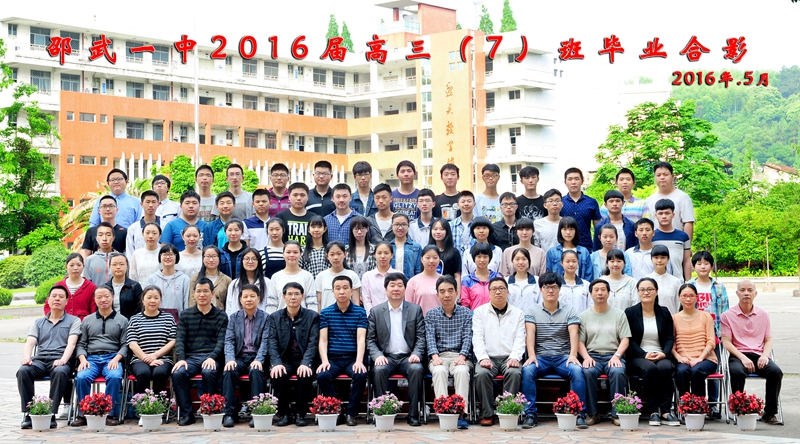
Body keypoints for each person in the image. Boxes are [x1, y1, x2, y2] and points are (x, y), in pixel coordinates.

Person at [521, 272, 588, 429]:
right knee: (527, 371)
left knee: (577, 371)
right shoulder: (532, 310)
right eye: (546, 287)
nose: (550, 290)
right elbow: (530, 333)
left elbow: (574, 334)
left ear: (560, 289)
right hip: (541, 357)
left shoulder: (570, 310)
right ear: (540, 289)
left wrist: (573, 355)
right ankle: (530, 414)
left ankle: (579, 414)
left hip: (563, 357)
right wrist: (531, 355)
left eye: (554, 287)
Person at [367, 272, 426, 426]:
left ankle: (413, 414)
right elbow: (370, 340)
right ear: (385, 289)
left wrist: (416, 353)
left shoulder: (415, 310)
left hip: (408, 357)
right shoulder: (376, 312)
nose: (396, 289)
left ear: (405, 289)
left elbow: (421, 337)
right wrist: (377, 355)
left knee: (417, 369)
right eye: (392, 285)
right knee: (379, 370)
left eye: (400, 285)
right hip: (387, 357)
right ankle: (381, 413)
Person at [17, 285, 81, 429]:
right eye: (54, 296)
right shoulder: (38, 323)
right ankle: (28, 413)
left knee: (60, 372)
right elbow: (30, 343)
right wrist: (27, 358)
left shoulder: (74, 321)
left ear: (66, 301)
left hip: (61, 360)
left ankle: (51, 414)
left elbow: (71, 343)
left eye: (61, 297)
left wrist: (63, 360)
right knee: (23, 371)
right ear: (48, 300)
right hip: (40, 360)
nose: (57, 299)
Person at [721, 280, 783, 425]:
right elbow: (726, 342)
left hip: (759, 355)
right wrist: (743, 358)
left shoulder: (763, 314)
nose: (746, 293)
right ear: (737, 293)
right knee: (736, 372)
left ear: (756, 293)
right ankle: (739, 410)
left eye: (750, 290)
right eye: (742, 290)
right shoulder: (727, 315)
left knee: (776, 372)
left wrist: (765, 356)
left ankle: (770, 413)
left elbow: (768, 340)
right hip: (739, 355)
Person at [172, 278, 229, 426]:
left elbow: (222, 341)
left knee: (209, 372)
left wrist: (212, 357)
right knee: (178, 373)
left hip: (212, 357)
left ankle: (210, 411)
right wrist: (181, 359)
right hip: (191, 358)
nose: (202, 294)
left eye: (205, 291)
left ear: (212, 293)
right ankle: (186, 414)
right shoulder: (186, 315)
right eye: (198, 291)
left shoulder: (221, 315)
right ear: (194, 294)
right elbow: (180, 339)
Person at [624, 277, 679, 426]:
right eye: (642, 289)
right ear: (638, 292)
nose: (646, 292)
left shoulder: (664, 312)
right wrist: (644, 354)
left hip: (661, 353)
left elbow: (669, 337)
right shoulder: (630, 312)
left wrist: (664, 353)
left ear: (656, 291)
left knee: (665, 367)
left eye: (650, 289)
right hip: (638, 355)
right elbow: (628, 339)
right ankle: (653, 411)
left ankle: (666, 411)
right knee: (650, 369)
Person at [71, 285, 128, 427]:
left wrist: (117, 358)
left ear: (112, 297)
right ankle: (84, 414)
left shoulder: (122, 320)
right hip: (91, 359)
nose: (103, 300)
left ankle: (109, 414)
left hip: (112, 357)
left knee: (115, 376)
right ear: (94, 300)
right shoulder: (87, 320)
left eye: (106, 296)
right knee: (81, 377)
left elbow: (125, 345)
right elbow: (81, 344)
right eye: (99, 297)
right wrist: (82, 359)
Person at [316, 275, 369, 427]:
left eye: (345, 288)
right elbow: (323, 340)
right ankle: (337, 409)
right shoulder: (326, 313)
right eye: (338, 288)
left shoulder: (360, 312)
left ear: (351, 291)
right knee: (322, 375)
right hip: (333, 358)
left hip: (353, 358)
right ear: (332, 292)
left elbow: (361, 339)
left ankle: (351, 413)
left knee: (360, 374)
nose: (341, 291)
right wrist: (324, 361)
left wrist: (359, 361)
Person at [473, 277, 525, 426]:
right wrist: (483, 357)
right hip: (488, 357)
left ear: (508, 292)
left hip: (509, 357)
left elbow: (520, 338)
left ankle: (507, 412)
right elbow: (477, 338)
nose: (498, 292)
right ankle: (488, 414)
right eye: (494, 289)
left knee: (514, 372)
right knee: (481, 373)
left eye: (501, 288)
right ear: (489, 292)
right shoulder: (479, 312)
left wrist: (515, 357)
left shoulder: (518, 313)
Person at [578, 279, 631, 426]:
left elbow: (625, 340)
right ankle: (592, 414)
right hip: (592, 355)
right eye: (596, 290)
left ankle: (617, 413)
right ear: (590, 294)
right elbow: (580, 342)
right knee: (587, 372)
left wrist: (617, 356)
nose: (600, 293)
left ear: (608, 293)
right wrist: (586, 357)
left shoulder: (619, 314)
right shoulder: (583, 316)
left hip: (613, 354)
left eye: (603, 290)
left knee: (618, 372)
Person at [268, 282, 320, 427]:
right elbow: (271, 343)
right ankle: (284, 413)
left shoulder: (313, 316)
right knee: (277, 374)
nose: (293, 297)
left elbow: (313, 343)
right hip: (285, 359)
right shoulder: (274, 317)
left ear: (303, 296)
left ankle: (300, 414)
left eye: (297, 294)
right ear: (283, 297)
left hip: (304, 358)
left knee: (306, 374)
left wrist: (306, 363)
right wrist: (276, 363)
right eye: (289, 294)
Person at [425, 275, 473, 430]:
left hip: (461, 356)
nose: (447, 294)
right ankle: (444, 412)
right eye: (442, 291)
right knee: (438, 371)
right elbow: (430, 338)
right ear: (437, 294)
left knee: (461, 371)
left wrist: (463, 356)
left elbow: (468, 337)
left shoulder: (466, 313)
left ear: (457, 293)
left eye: (450, 290)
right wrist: (434, 356)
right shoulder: (431, 314)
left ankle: (461, 413)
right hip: (439, 356)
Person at [688, 250, 730, 417]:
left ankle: (713, 405)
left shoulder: (719, 287)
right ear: (693, 266)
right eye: (699, 263)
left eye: (706, 263)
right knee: (695, 369)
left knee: (713, 371)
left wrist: (723, 335)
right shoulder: (689, 285)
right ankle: (695, 402)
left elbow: (725, 312)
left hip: (715, 335)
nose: (703, 266)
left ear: (712, 266)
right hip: (694, 335)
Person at [222, 284, 269, 428]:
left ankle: (257, 412)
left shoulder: (266, 318)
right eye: (245, 296)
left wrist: (259, 360)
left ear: (258, 298)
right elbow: (229, 340)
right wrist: (230, 359)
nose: (249, 299)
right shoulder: (233, 318)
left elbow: (265, 342)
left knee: (256, 371)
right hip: (239, 357)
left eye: (252, 296)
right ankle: (229, 414)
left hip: (257, 357)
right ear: (240, 300)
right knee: (229, 370)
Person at [126, 285, 176, 396]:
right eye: (149, 297)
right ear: (143, 300)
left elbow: (172, 341)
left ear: (160, 300)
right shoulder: (134, 319)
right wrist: (147, 358)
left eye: (156, 298)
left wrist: (155, 355)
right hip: (139, 359)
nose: (152, 301)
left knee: (160, 373)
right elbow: (132, 344)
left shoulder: (169, 318)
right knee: (144, 373)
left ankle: (159, 404)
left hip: (163, 359)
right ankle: (141, 404)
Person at [672, 283, 718, 399]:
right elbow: (671, 344)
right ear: (679, 297)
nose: (688, 299)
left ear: (697, 297)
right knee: (682, 372)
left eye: (691, 296)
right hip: (683, 359)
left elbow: (711, 342)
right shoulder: (674, 318)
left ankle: (698, 405)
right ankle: (685, 404)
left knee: (697, 370)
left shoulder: (706, 316)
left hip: (706, 359)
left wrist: (700, 358)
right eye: (684, 296)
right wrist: (679, 358)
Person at [645, 162, 694, 239]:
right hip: (655, 242)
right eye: (658, 175)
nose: (662, 177)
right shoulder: (649, 200)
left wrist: (687, 244)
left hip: (677, 242)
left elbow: (688, 222)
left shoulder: (683, 197)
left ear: (672, 176)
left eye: (665, 174)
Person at [266, 241, 318, 313]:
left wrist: (312, 318)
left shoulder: (307, 276)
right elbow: (271, 305)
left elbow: (312, 303)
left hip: (303, 319)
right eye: (288, 252)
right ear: (283, 254)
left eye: (295, 252)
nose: (292, 255)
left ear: (300, 254)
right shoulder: (276, 277)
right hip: (280, 319)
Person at [561, 168, 601, 252]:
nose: (573, 182)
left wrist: (597, 247)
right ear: (565, 182)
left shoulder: (591, 202)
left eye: (576, 179)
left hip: (586, 247)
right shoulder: (560, 202)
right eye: (570, 179)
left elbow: (598, 228)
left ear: (582, 181)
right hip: (564, 247)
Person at [652, 199, 692, 281]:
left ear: (673, 215)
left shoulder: (683, 236)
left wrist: (688, 282)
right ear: (656, 215)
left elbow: (686, 261)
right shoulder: (651, 236)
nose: (664, 216)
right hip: (656, 281)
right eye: (660, 213)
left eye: (667, 213)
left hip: (678, 281)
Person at [144, 244, 191, 312]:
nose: (168, 257)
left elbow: (186, 303)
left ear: (176, 257)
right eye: (165, 255)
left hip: (178, 317)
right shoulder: (151, 279)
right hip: (156, 317)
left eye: (171, 254)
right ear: (160, 257)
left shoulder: (184, 279)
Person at [48, 253, 96, 320]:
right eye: (71, 265)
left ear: (83, 266)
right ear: (66, 267)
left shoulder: (91, 287)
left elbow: (94, 311)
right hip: (61, 324)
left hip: (83, 324)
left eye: (79, 265)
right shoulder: (58, 286)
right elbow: (47, 306)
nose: (75, 268)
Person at [545, 216, 593, 282]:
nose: (568, 232)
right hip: (558, 287)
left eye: (571, 229)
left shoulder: (584, 252)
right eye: (564, 229)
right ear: (560, 231)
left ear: (575, 231)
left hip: (580, 286)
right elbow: (549, 274)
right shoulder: (552, 252)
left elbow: (589, 275)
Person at [316, 241, 361, 309]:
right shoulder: (321, 276)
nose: (336, 257)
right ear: (327, 256)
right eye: (332, 254)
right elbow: (318, 302)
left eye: (339, 254)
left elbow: (356, 302)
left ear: (345, 254)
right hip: (326, 315)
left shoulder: (352, 275)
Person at [360, 242, 400, 316]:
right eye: (379, 253)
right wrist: (373, 316)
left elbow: (401, 297)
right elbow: (366, 300)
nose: (382, 256)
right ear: (374, 255)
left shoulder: (398, 274)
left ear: (391, 255)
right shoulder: (367, 276)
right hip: (374, 317)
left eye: (386, 253)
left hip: (395, 315)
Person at [226, 248, 270, 315]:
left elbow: (270, 305)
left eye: (254, 259)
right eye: (247, 259)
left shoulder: (267, 283)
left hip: (262, 320)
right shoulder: (235, 284)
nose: (250, 261)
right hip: (238, 321)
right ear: (242, 261)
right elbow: (229, 308)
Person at [461, 242, 501, 311]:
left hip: (494, 315)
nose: (482, 260)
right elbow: (465, 304)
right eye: (479, 257)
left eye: (485, 256)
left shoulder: (497, 278)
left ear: (490, 258)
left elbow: (502, 299)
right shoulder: (467, 280)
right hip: (474, 316)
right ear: (474, 258)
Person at [404, 245, 442, 315]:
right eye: (428, 257)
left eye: (435, 258)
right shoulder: (413, 282)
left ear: (439, 259)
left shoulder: (444, 281)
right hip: (420, 321)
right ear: (421, 259)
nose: (431, 261)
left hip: (441, 320)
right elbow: (408, 307)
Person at [645, 245, 682, 315]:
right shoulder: (646, 281)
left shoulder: (676, 281)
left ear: (668, 259)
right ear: (651, 259)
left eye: (663, 257)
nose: (659, 260)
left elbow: (678, 304)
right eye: (656, 257)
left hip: (671, 318)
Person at [125, 190, 161, 259]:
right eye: (147, 202)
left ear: (158, 204)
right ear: (141, 204)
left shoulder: (165, 226)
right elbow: (130, 253)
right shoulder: (133, 228)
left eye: (153, 202)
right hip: (139, 264)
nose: (150, 205)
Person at [276, 182, 314, 246]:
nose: (299, 198)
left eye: (302, 195)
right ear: (289, 197)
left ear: (307, 197)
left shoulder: (313, 217)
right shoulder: (280, 216)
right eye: (295, 195)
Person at [429, 218, 462, 292]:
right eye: (435, 229)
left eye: (442, 229)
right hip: (430, 290)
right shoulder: (427, 251)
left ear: (447, 231)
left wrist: (457, 295)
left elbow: (457, 275)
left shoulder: (454, 252)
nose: (438, 232)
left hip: (448, 291)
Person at [106, 252, 143, 319]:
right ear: (110, 267)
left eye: (121, 264)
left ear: (127, 266)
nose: (118, 267)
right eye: (114, 264)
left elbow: (140, 309)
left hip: (130, 323)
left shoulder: (135, 286)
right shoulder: (105, 287)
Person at [388, 213, 422, 280]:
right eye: (397, 224)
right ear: (392, 226)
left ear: (408, 226)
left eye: (404, 224)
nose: (400, 228)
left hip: (410, 283)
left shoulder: (416, 247)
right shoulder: (387, 247)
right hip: (391, 283)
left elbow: (418, 271)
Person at [534, 189, 563, 253]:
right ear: (545, 205)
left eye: (557, 201)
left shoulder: (566, 224)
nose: (554, 203)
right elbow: (536, 247)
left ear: (562, 204)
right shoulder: (537, 224)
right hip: (544, 258)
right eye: (551, 201)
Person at [451, 190, 477, 258]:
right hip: (456, 262)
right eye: (463, 202)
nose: (466, 204)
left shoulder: (480, 225)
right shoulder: (451, 225)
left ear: (474, 204)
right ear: (458, 205)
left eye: (469, 201)